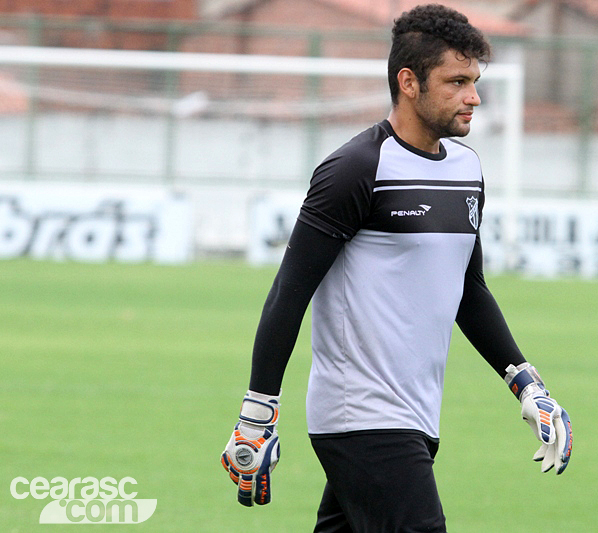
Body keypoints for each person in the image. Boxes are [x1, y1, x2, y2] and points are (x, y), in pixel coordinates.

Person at [220, 4, 573, 532]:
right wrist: (257, 412)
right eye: (456, 82)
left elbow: (468, 289)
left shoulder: (466, 167)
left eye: (475, 81)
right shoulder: (355, 169)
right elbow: (289, 291)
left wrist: (526, 383)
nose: (473, 96)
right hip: (360, 413)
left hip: (416, 415)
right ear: (409, 82)